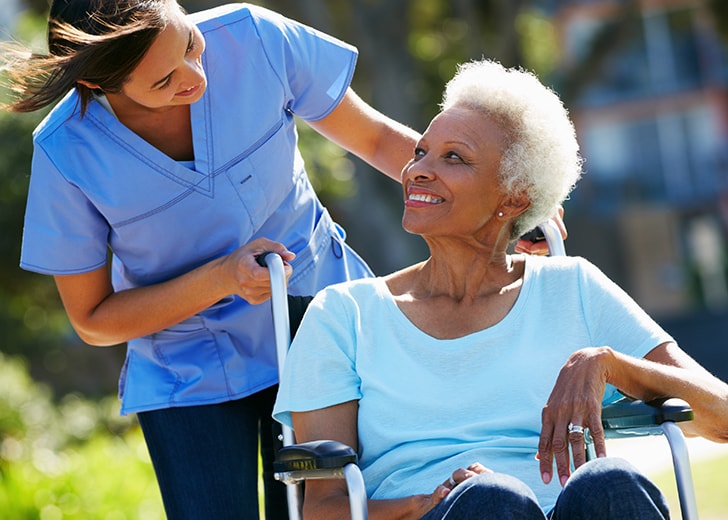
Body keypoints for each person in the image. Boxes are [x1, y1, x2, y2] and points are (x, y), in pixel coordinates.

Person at [1, 1, 560, 517]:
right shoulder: (66, 153)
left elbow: (376, 141)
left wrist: (500, 214)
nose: (196, 76)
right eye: (164, 80)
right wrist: (222, 277)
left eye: (191, 45)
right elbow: (94, 320)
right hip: (185, 367)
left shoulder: (255, 38)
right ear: (101, 84)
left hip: (320, 328)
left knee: (329, 509)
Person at [273, 58, 728, 519]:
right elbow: (322, 508)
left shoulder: (572, 288)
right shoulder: (344, 314)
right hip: (445, 514)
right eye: (421, 152)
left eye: (454, 158)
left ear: (513, 197)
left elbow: (722, 415)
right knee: (493, 500)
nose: (418, 171)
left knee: (612, 483)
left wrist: (609, 365)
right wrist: (422, 505)